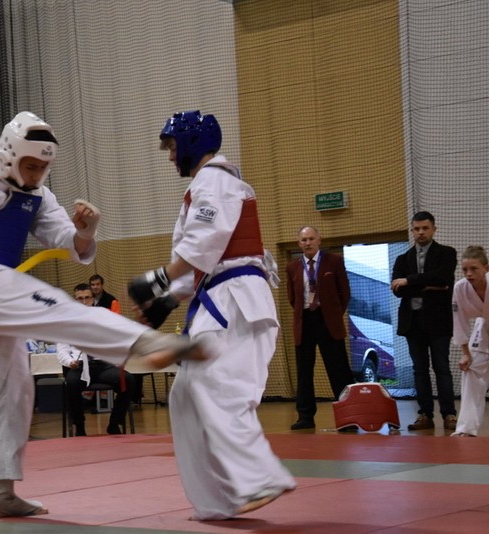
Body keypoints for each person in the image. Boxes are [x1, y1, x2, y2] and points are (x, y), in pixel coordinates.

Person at [0, 111, 203, 519]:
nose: (36, 174)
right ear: (9, 154)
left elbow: (69, 242)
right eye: (30, 165)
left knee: (15, 386)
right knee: (59, 308)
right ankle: (141, 344)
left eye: (43, 167)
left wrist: (86, 230)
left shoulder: (39, 196)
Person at [128, 110, 295, 520]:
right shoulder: (203, 187)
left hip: (235, 301)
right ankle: (216, 500)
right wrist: (164, 301)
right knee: (186, 396)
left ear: (191, 142)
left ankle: (260, 478)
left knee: (218, 388)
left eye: (171, 147)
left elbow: (206, 241)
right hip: (216, 298)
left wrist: (159, 278)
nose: (170, 156)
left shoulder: (216, 180)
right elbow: (200, 261)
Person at [391, 211, 458, 431]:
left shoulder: (447, 253)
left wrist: (409, 280)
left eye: (425, 228)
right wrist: (428, 286)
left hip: (439, 322)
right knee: (419, 370)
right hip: (413, 323)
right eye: (417, 229)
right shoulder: (403, 259)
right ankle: (425, 415)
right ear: (412, 231)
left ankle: (449, 414)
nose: (421, 232)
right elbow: (397, 290)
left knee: (442, 368)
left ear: (433, 229)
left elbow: (443, 279)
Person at [286, 226, 353, 430]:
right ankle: (305, 417)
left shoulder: (334, 261)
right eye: (304, 240)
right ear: (299, 243)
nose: (308, 243)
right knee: (304, 373)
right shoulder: (292, 267)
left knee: (339, 370)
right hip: (304, 322)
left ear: (319, 240)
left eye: (311, 239)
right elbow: (292, 298)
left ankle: (348, 417)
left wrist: (333, 314)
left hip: (328, 321)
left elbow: (344, 293)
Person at [57, 283, 134, 436]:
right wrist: (69, 362)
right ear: (74, 300)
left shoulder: (103, 316)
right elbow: (62, 349)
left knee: (128, 380)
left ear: (93, 299)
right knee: (71, 384)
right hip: (79, 366)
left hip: (103, 365)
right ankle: (79, 425)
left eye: (87, 298)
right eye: (80, 299)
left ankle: (114, 423)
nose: (84, 301)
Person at [450, 246, 489, 437]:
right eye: (465, 269)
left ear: (486, 268)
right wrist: (466, 354)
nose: (468, 274)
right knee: (470, 369)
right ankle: (466, 429)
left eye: (474, 269)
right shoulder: (460, 288)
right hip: (483, 331)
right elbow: (460, 322)